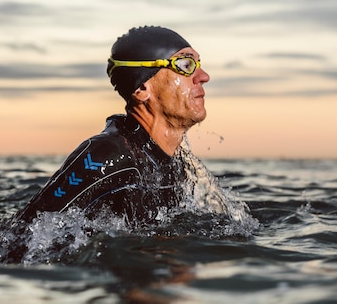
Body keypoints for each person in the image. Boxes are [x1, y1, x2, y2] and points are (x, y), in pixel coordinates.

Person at [15, 26, 214, 226]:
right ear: (142, 88)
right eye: (185, 64)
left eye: (198, 64)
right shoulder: (106, 156)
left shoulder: (174, 164)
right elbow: (21, 236)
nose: (203, 76)